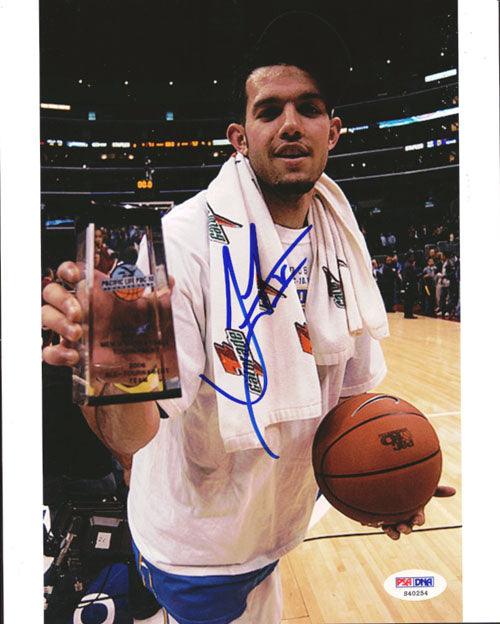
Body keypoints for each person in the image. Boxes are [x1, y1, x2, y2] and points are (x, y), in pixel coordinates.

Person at [42, 12, 454, 624]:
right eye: (269, 111)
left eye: (308, 108)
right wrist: (106, 371)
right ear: (240, 137)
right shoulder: (181, 242)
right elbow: (129, 438)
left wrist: (387, 478)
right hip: (199, 548)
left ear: (333, 131)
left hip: (274, 528)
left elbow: (352, 397)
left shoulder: (341, 236)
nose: (290, 123)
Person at [402, 253, 419, 319]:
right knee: (410, 300)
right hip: (410, 284)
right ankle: (409, 314)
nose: (413, 258)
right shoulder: (409, 266)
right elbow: (412, 276)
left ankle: (407, 313)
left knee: (407, 300)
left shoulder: (406, 264)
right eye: (412, 257)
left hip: (407, 284)